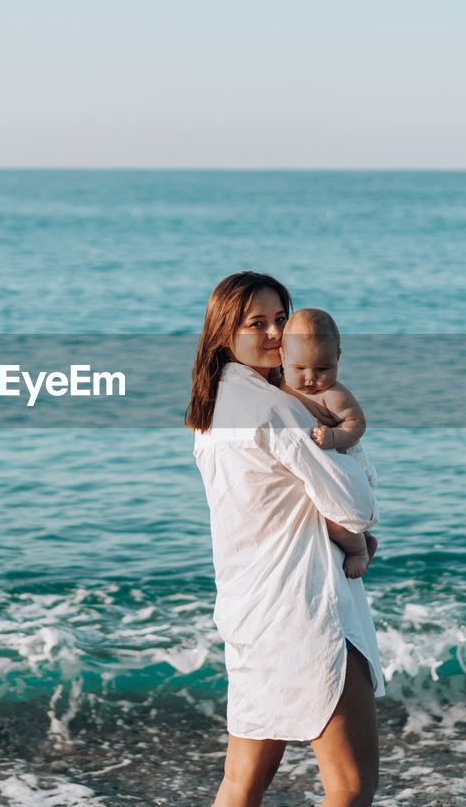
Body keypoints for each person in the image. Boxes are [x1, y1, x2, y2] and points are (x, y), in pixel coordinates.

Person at [187, 271, 384, 807]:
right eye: (258, 323)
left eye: (281, 319)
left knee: (241, 783)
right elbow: (357, 508)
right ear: (225, 333)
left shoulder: (211, 411)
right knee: (351, 786)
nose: (276, 334)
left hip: (251, 611)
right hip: (306, 609)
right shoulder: (276, 408)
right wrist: (347, 443)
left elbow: (269, 511)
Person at [278, 308, 379, 579]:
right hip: (325, 463)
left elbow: (356, 424)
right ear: (283, 357)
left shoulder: (333, 394)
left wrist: (334, 436)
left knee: (335, 520)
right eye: (300, 368)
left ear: (338, 358)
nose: (311, 378)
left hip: (348, 461)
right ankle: (363, 537)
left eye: (323, 369)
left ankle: (358, 549)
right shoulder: (281, 385)